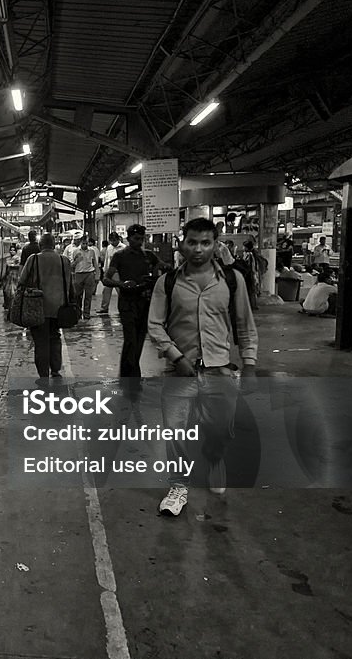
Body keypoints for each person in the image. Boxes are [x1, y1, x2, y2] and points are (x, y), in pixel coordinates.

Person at [148, 217, 258, 516]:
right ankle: (178, 486)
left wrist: (249, 362)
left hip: (220, 369)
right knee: (175, 432)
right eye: (192, 242)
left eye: (205, 242)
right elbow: (155, 326)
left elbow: (244, 325)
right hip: (179, 373)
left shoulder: (232, 281)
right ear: (182, 244)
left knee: (220, 429)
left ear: (215, 244)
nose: (198, 249)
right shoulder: (167, 282)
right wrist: (176, 356)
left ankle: (214, 457)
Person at [102, 224, 165, 386]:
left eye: (142, 239)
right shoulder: (120, 256)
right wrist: (122, 284)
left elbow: (164, 267)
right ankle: (134, 377)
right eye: (136, 239)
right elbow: (106, 279)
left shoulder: (149, 256)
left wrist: (156, 276)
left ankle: (126, 376)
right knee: (131, 339)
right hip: (127, 303)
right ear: (129, 238)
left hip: (144, 303)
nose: (139, 242)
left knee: (138, 340)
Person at [17, 233, 70, 379]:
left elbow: (21, 281)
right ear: (54, 245)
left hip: (37, 308)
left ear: (41, 245)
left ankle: (43, 374)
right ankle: (55, 370)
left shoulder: (33, 259)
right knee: (55, 337)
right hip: (58, 308)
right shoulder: (64, 260)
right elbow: (70, 285)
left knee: (41, 341)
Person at [70, 236, 99, 320]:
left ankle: (86, 313)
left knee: (88, 295)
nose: (85, 245)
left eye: (86, 243)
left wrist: (97, 275)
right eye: (83, 243)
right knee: (78, 295)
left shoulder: (92, 251)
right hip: (79, 274)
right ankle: (78, 313)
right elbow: (71, 265)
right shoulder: (75, 251)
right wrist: (76, 261)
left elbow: (95, 263)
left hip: (89, 274)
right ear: (80, 243)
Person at [97, 233, 125, 314]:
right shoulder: (109, 248)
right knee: (106, 290)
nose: (113, 242)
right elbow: (106, 260)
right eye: (111, 241)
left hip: (118, 273)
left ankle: (123, 308)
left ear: (118, 239)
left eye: (114, 240)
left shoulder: (123, 248)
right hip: (109, 272)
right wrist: (105, 271)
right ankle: (104, 308)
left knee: (121, 291)